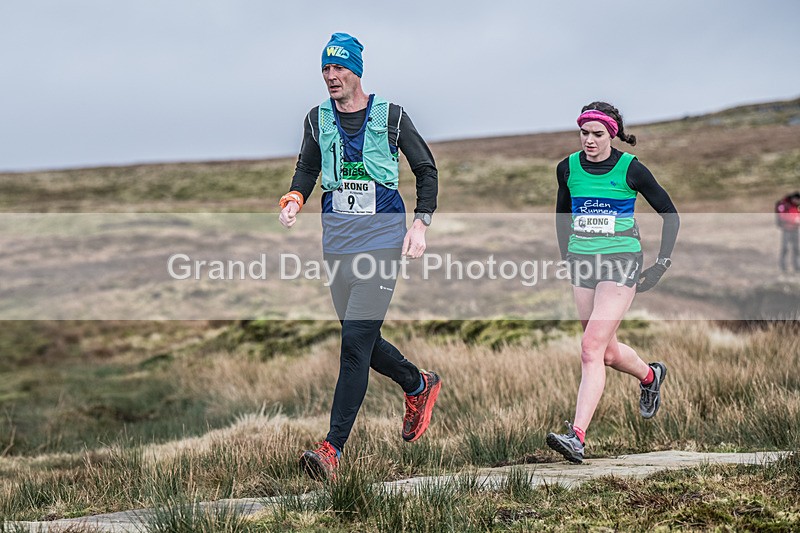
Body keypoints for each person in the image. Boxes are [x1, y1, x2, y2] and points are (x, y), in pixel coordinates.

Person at [278, 33, 441, 480]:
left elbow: (425, 168)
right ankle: (417, 383)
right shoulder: (317, 118)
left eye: (339, 68)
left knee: (353, 345)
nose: (331, 77)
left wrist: (420, 223)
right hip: (338, 241)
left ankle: (331, 450)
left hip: (382, 239)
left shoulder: (391, 116)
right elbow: (308, 167)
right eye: (326, 70)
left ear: (356, 71)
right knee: (361, 343)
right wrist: (295, 198)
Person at [548, 101, 680, 463]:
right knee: (605, 352)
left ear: (612, 134)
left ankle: (576, 437)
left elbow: (670, 215)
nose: (588, 140)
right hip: (582, 263)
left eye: (597, 134)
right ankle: (650, 376)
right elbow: (562, 215)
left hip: (621, 262)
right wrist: (568, 260)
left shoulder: (630, 169)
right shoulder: (568, 168)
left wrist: (660, 264)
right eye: (584, 133)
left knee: (590, 347)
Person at [775, 191, 800, 273]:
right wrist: (794, 220)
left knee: (796, 249)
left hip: (795, 229)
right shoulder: (784, 205)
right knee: (785, 249)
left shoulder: (796, 206)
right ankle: (783, 267)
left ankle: (796, 267)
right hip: (786, 230)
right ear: (794, 199)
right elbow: (782, 216)